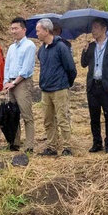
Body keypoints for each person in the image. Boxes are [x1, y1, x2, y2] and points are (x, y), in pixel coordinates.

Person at [80, 18, 108, 154]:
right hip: (93, 85)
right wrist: (84, 51)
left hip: (107, 86)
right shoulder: (91, 46)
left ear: (104, 29)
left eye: (96, 28)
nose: (93, 31)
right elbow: (83, 64)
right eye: (92, 28)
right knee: (94, 116)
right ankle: (96, 142)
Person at [35, 18, 77, 156]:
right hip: (46, 89)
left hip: (59, 88)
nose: (37, 34)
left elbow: (71, 68)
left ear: (46, 31)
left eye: (38, 31)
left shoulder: (61, 47)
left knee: (62, 118)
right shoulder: (42, 50)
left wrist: (66, 83)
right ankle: (52, 146)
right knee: (48, 120)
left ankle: (67, 147)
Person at [3, 17, 37, 153]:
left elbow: (27, 69)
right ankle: (14, 142)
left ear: (24, 29)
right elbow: (7, 66)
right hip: (11, 82)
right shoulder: (11, 47)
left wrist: (14, 82)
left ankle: (29, 145)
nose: (13, 31)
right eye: (11, 29)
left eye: (16, 28)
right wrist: (6, 82)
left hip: (22, 82)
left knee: (26, 115)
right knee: (12, 114)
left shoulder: (29, 45)